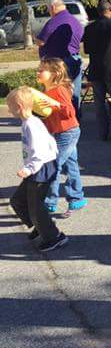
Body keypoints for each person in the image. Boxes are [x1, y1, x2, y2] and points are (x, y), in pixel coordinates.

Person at [7, 86, 66, 253]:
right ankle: (41, 226)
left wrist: (29, 169)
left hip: (41, 168)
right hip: (37, 167)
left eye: (10, 107)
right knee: (18, 201)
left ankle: (54, 237)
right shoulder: (28, 122)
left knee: (35, 206)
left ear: (19, 107)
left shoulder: (31, 125)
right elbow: (49, 143)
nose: (9, 110)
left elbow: (39, 152)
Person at [36, 58, 87, 216]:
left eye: (42, 70)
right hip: (59, 132)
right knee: (71, 165)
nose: (38, 72)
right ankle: (76, 198)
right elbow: (48, 117)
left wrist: (56, 105)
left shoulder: (59, 90)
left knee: (53, 165)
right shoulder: (46, 92)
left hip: (68, 132)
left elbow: (70, 112)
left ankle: (49, 202)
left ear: (55, 73)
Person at [82, 0, 111, 142]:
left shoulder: (89, 28)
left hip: (96, 68)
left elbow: (86, 49)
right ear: (110, 10)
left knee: (99, 103)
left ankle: (103, 132)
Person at [35, 0, 84, 116]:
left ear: (52, 7)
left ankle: (63, 118)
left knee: (59, 93)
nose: (49, 12)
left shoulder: (54, 21)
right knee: (74, 93)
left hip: (59, 63)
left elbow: (41, 41)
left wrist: (35, 38)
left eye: (48, 9)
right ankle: (75, 117)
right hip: (76, 58)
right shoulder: (75, 21)